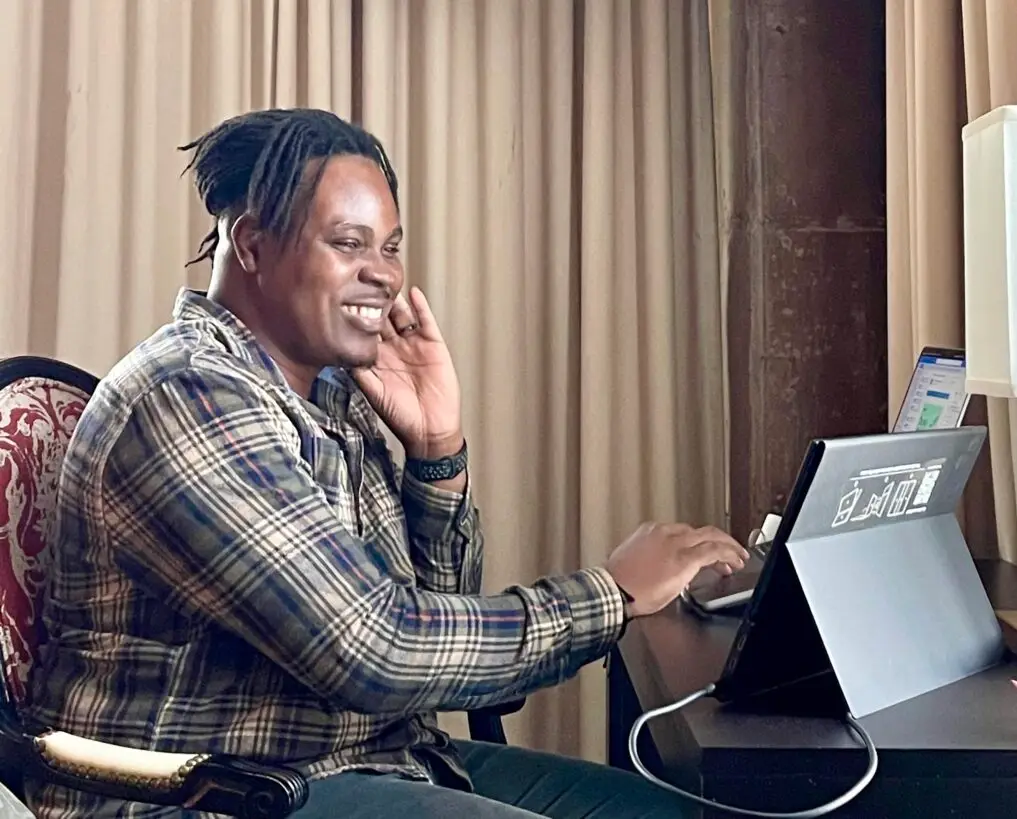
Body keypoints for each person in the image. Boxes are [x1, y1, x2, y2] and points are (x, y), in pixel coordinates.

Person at [26, 109, 748, 819]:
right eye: (349, 243)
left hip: (371, 758)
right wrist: (612, 594)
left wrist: (436, 451)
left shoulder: (332, 390)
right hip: (214, 791)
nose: (383, 275)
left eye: (391, 247)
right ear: (251, 244)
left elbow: (439, 637)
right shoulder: (189, 395)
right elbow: (378, 650)